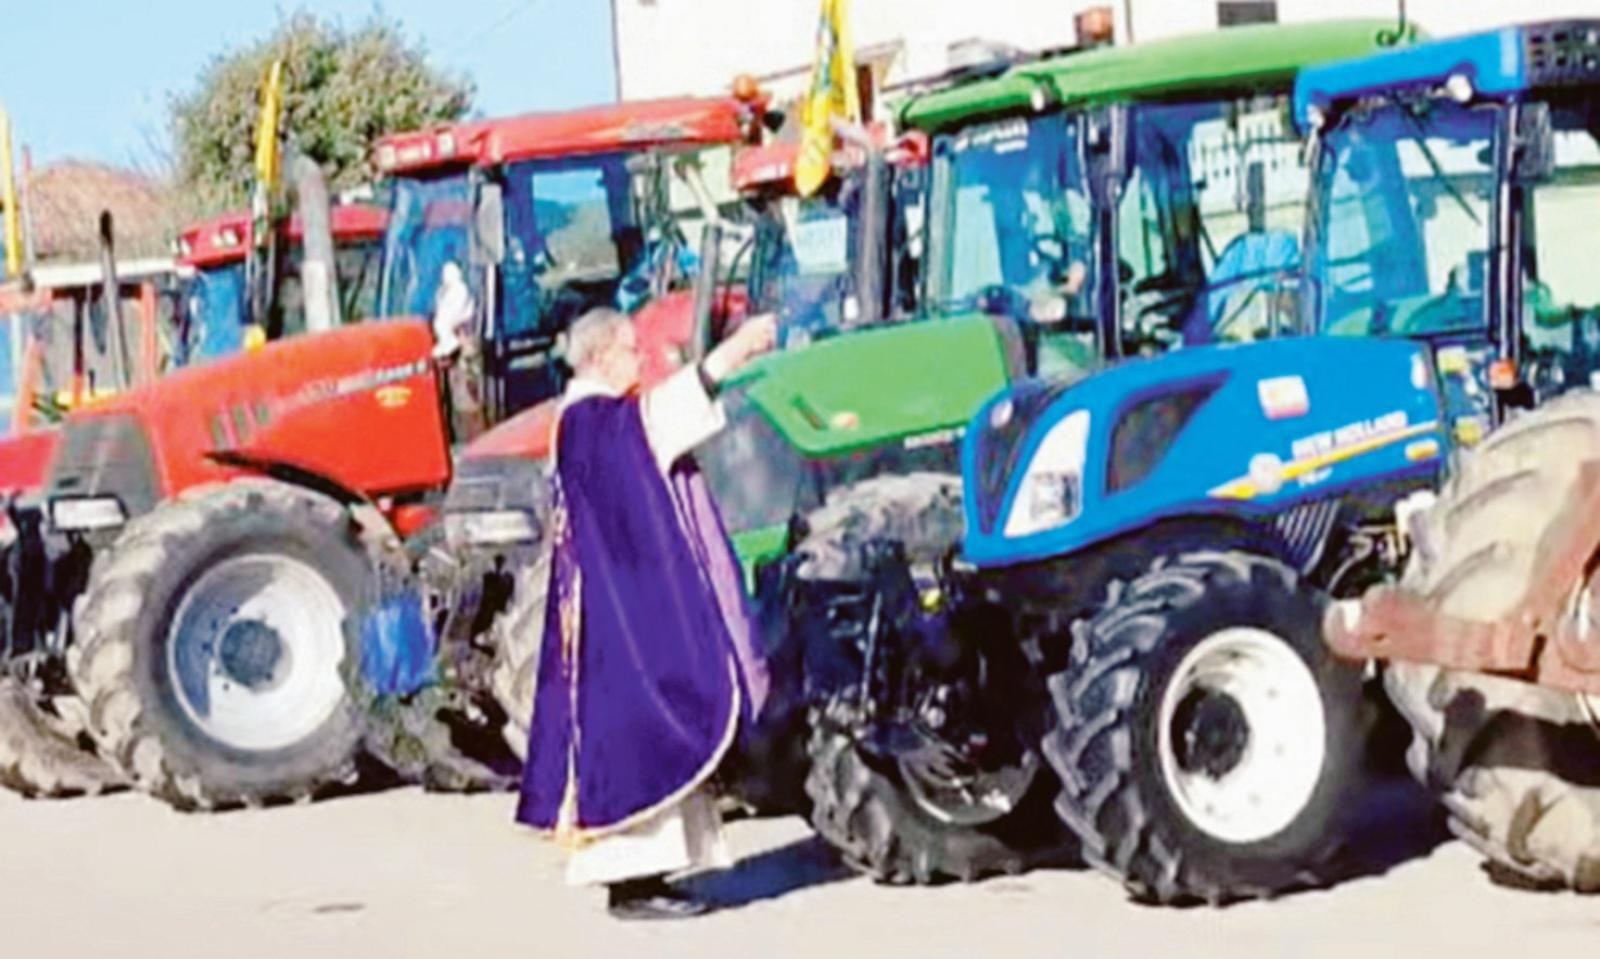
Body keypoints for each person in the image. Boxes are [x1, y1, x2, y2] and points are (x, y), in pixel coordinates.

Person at [516, 306, 778, 921]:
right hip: (619, 623)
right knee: (644, 730)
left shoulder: (593, 419)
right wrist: (734, 352)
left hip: (620, 608)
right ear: (601, 356)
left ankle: (651, 876)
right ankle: (630, 886)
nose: (642, 359)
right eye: (632, 349)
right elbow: (656, 422)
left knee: (656, 726)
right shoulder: (590, 421)